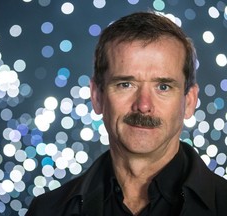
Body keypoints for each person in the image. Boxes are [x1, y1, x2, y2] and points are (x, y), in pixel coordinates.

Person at [26, 11, 227, 216]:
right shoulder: (47, 210)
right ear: (97, 97)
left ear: (189, 101)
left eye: (163, 87)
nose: (143, 105)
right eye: (125, 84)